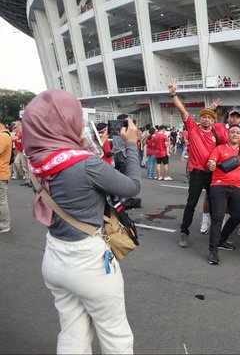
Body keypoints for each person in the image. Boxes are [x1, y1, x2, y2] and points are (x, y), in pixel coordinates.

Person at [22, 89, 140, 352]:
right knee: (115, 335)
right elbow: (131, 186)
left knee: (72, 331)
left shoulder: (36, 162)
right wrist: (131, 144)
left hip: (54, 257)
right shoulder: (86, 164)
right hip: (88, 261)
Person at [168, 78, 226, 248]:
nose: (207, 120)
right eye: (204, 117)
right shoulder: (193, 128)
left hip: (213, 174)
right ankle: (184, 233)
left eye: (210, 118)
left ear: (213, 121)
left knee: (215, 205)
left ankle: (216, 235)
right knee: (191, 204)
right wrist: (173, 94)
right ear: (200, 119)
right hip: (197, 174)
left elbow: (228, 146)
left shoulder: (216, 133)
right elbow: (181, 109)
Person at [205, 125, 240, 265]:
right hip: (218, 185)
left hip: (237, 187)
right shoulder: (219, 149)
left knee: (238, 216)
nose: (235, 134)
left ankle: (222, 240)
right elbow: (211, 162)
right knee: (217, 218)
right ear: (228, 135)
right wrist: (211, 164)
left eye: (238, 133)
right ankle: (213, 251)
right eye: (232, 132)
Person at [0, 113, 12, 233]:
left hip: (1, 173)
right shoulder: (5, 135)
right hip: (2, 172)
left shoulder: (3, 137)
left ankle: (4, 225)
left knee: (1, 201)